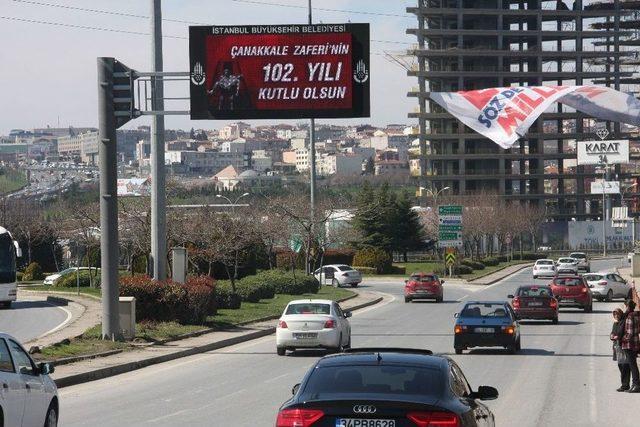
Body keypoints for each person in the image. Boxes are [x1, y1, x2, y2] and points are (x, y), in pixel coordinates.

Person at [621, 300, 640, 393]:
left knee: (632, 365)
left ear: (628, 306)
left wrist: (623, 339)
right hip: (636, 342)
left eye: (626, 306)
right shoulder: (636, 315)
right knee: (633, 364)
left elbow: (630, 333)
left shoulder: (629, 316)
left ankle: (636, 385)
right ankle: (634, 385)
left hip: (629, 344)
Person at [611, 308, 628, 391]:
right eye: (615, 314)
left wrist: (617, 336)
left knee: (624, 365)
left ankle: (625, 385)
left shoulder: (623, 322)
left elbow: (620, 332)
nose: (616, 316)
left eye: (617, 314)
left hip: (623, 346)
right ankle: (624, 384)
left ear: (621, 314)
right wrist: (611, 336)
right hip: (617, 346)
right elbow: (613, 332)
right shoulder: (615, 323)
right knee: (620, 365)